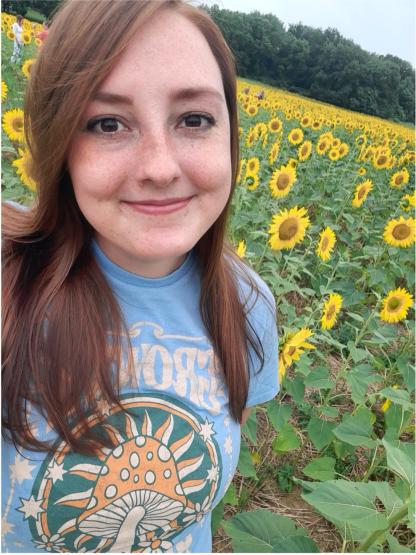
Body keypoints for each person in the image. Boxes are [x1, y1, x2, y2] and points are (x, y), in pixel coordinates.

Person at [1, 0, 279, 552]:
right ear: (60, 145)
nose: (159, 167)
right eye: (108, 123)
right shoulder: (10, 281)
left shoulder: (246, 304)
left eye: (193, 119)